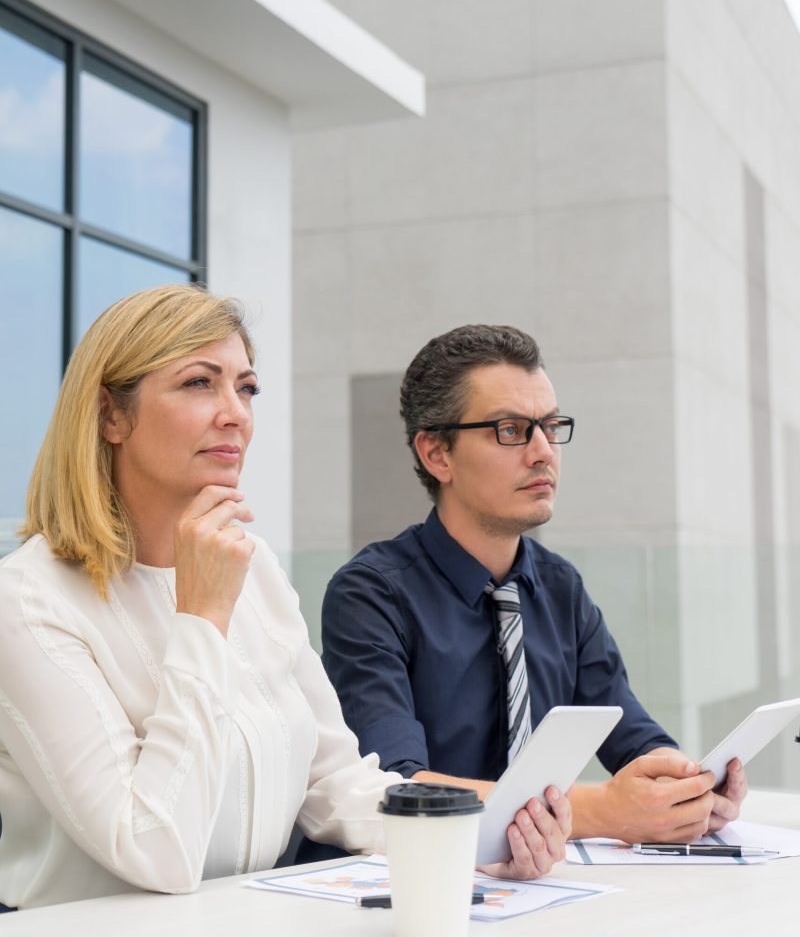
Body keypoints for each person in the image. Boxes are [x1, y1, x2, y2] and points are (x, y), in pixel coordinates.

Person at [0, 289, 570, 911]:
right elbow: (153, 849)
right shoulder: (28, 602)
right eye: (198, 383)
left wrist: (478, 836)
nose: (235, 414)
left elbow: (335, 782)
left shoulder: (256, 568)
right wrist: (202, 618)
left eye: (246, 389)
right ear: (111, 414)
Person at [321, 324, 748, 843]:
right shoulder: (371, 594)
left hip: (532, 893)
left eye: (550, 425)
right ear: (437, 454)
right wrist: (599, 811)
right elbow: (394, 789)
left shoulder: (560, 588)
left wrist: (685, 786)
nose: (543, 451)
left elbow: (632, 736)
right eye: (510, 430)